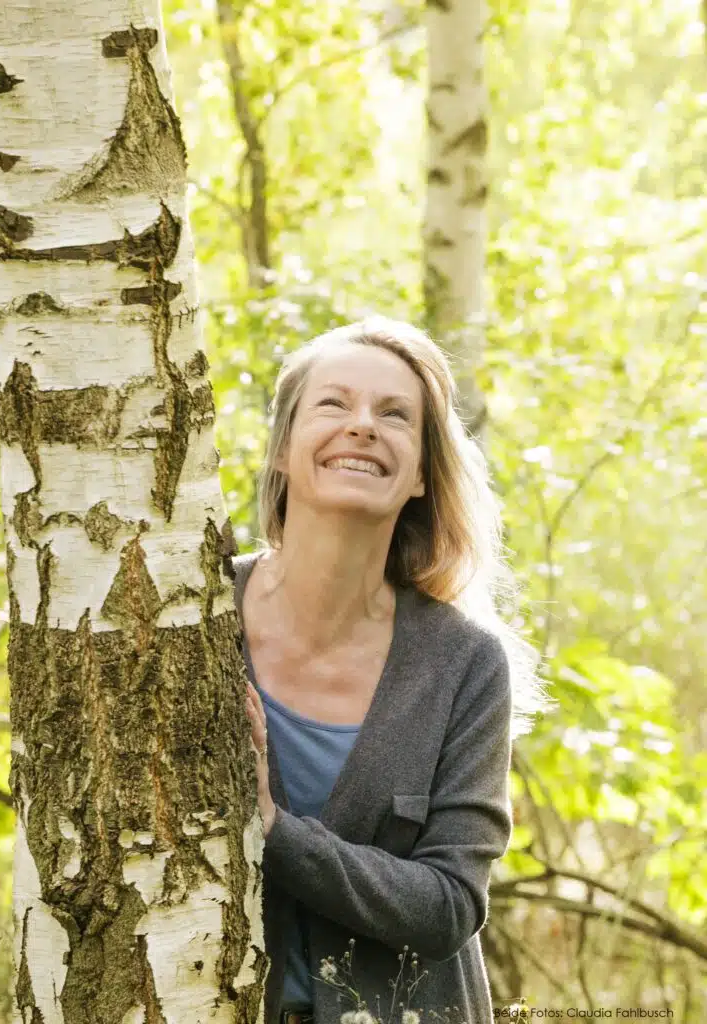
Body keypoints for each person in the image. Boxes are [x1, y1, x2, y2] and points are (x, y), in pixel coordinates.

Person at [233, 316, 552, 1024]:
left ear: (418, 475)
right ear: (282, 450)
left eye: (394, 415)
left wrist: (274, 830)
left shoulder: (463, 662)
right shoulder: (192, 616)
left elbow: (450, 904)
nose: (362, 426)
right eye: (332, 404)